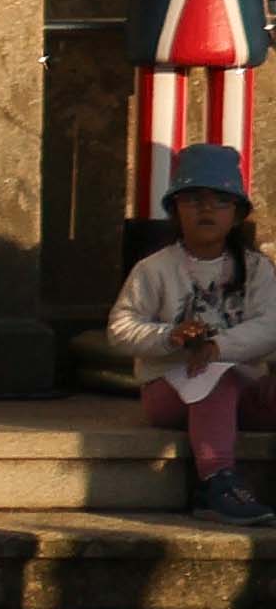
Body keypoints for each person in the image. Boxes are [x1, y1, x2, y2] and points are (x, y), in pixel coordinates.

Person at [110, 147, 276, 523]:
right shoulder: (154, 269)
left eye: (221, 201)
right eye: (194, 200)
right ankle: (216, 482)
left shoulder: (256, 269)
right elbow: (120, 328)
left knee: (229, 375)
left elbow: (270, 325)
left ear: (237, 214)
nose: (207, 209)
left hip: (245, 388)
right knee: (214, 378)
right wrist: (170, 336)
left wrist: (218, 346)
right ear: (175, 210)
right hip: (171, 390)